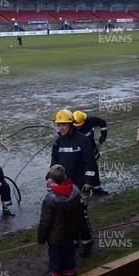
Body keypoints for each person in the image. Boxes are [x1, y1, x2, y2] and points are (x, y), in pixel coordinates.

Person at [50, 109, 96, 257]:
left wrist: (88, 183)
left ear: (71, 125)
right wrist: (50, 177)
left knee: (80, 214)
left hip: (80, 184)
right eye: (59, 125)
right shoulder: (58, 142)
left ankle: (87, 241)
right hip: (65, 186)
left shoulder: (82, 140)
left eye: (63, 125)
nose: (61, 128)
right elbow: (54, 163)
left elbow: (90, 162)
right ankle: (74, 238)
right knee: (66, 214)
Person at [38, 164, 80, 276]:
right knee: (69, 256)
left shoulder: (50, 199)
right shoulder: (75, 190)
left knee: (55, 259)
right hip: (70, 232)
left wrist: (41, 238)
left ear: (52, 181)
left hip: (55, 237)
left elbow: (45, 222)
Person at [72, 110, 109, 195]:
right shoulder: (71, 126)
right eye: (76, 126)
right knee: (80, 173)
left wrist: (103, 135)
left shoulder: (91, 120)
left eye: (80, 125)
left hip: (91, 151)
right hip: (78, 155)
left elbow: (102, 123)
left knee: (93, 170)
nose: (78, 127)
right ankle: (79, 191)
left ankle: (97, 189)